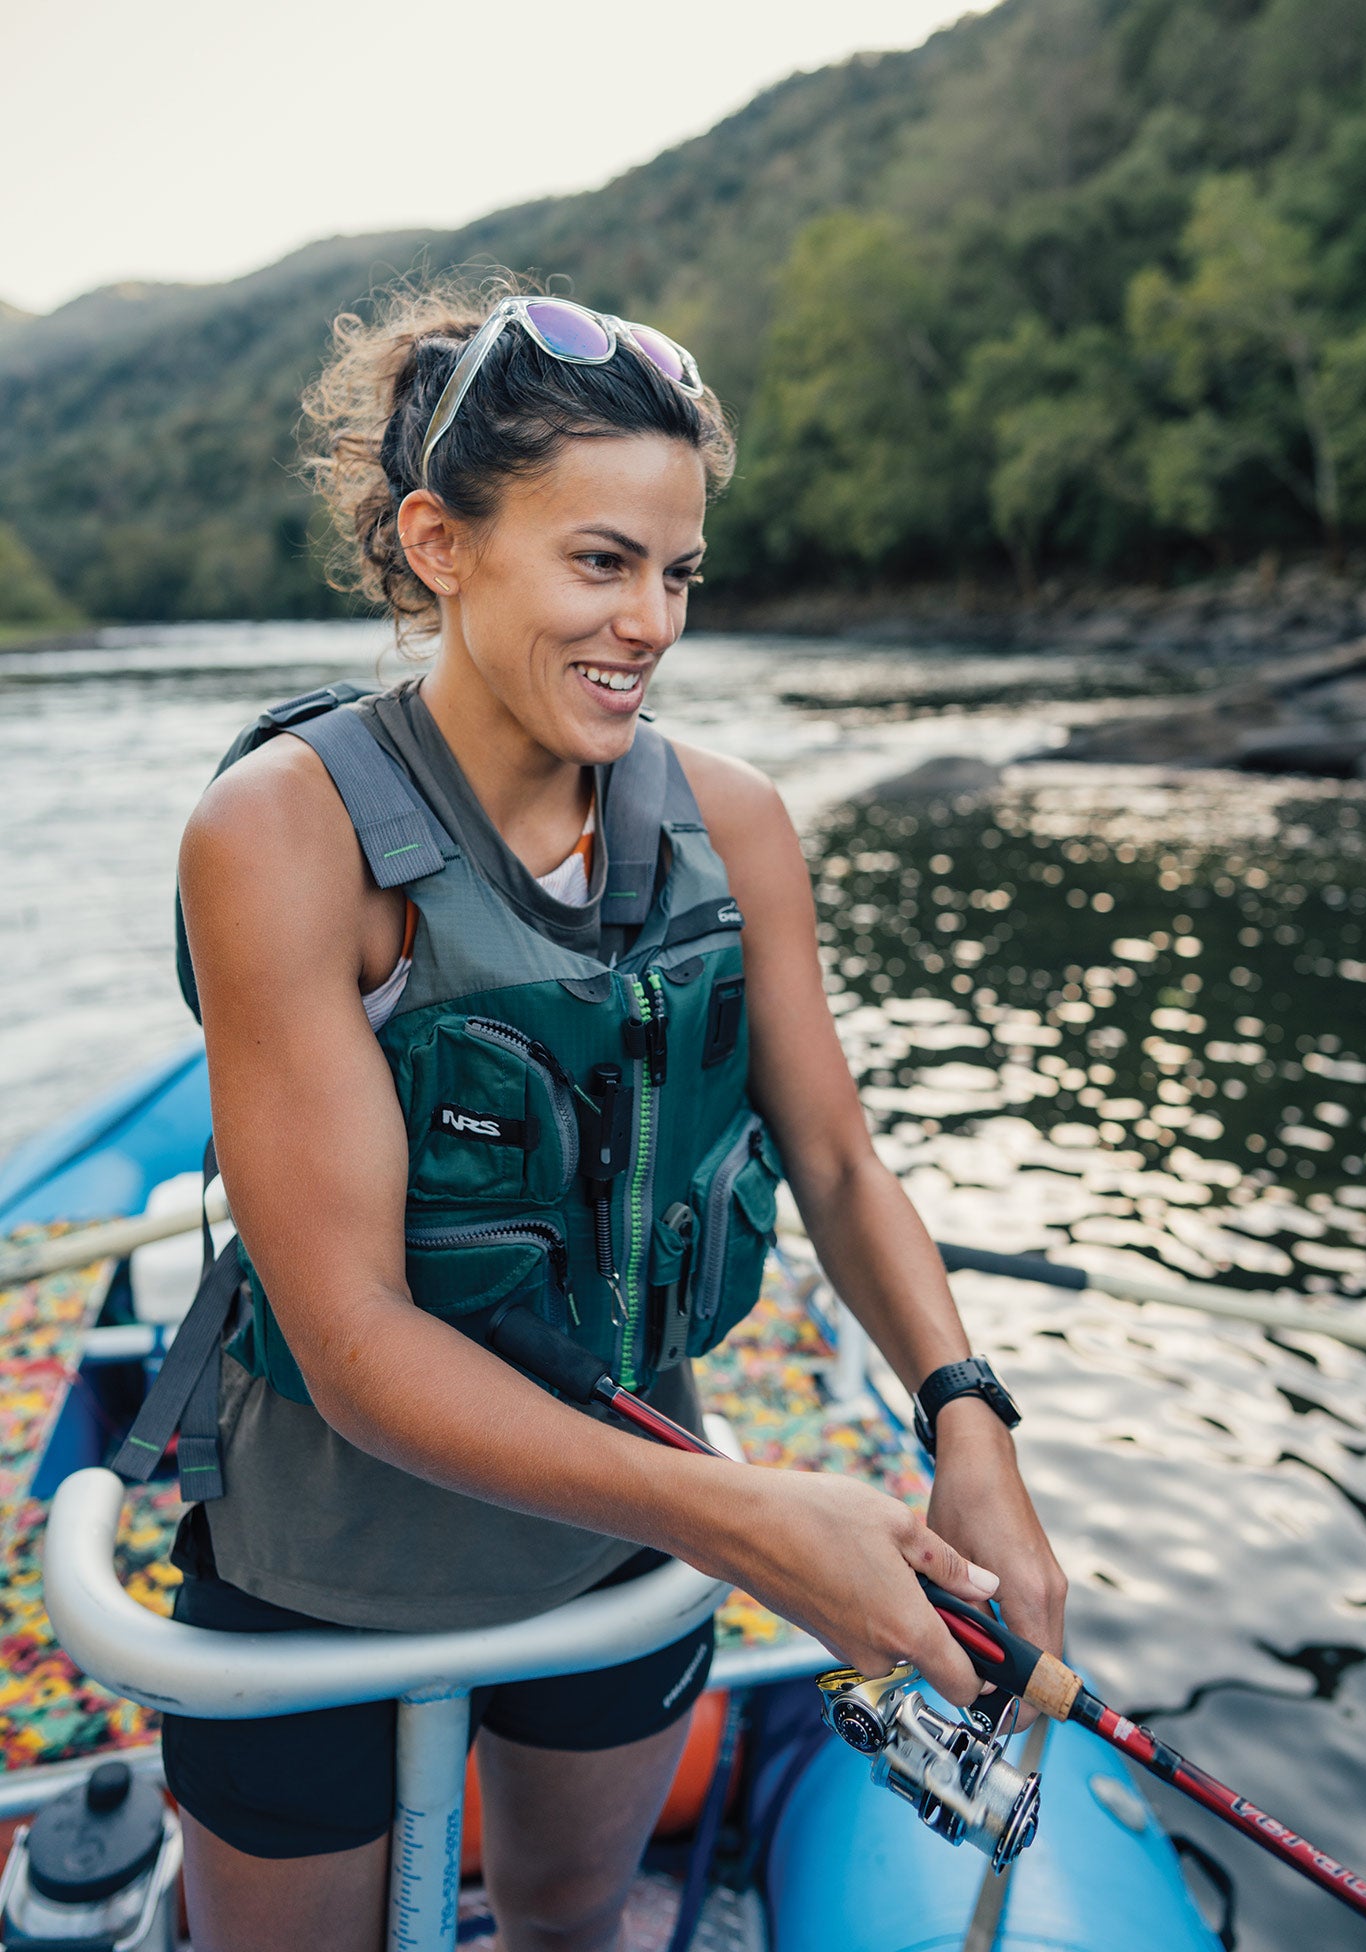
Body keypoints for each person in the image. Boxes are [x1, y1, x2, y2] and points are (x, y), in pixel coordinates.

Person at [165, 278, 1067, 1952]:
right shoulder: (280, 838)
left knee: (576, 1923)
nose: (651, 622)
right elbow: (352, 1336)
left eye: (677, 573)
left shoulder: (739, 823)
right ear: (438, 543)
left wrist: (972, 1427)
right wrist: (747, 1513)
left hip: (613, 1565)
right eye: (600, 562)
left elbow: (843, 1164)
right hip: (315, 1573)